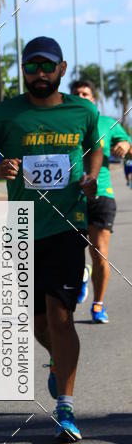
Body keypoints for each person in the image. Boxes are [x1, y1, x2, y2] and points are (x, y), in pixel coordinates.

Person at [0, 37, 102, 443]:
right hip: (19, 224)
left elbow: (94, 147)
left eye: (47, 67)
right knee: (33, 321)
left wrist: (92, 177)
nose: (40, 74)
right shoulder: (5, 114)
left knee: (60, 317)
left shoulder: (83, 110)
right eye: (32, 67)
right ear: (23, 70)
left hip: (67, 224)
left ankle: (65, 406)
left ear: (61, 69)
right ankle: (54, 361)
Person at [71, 79, 131, 323]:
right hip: (71, 197)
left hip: (101, 195)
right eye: (77, 93)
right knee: (70, 254)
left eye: (86, 93)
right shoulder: (64, 124)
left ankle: (98, 305)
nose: (82, 96)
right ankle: (81, 275)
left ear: (93, 98)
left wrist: (125, 145)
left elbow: (127, 144)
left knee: (99, 253)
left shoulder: (108, 123)